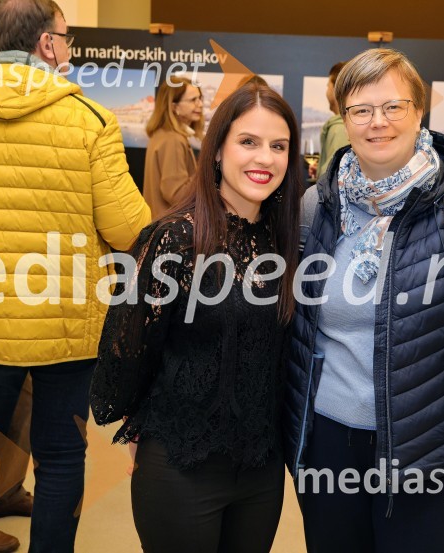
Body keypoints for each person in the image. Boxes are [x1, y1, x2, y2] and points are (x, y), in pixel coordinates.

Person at [0, 0, 151, 551]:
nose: (68, 48)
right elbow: (130, 228)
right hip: (68, 331)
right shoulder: (89, 119)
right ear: (45, 44)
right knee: (62, 456)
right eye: (65, 37)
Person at [284, 48, 444, 553]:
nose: (378, 123)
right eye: (361, 110)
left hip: (429, 450)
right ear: (343, 119)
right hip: (327, 445)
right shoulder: (315, 208)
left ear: (419, 112)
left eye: (393, 106)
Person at [90, 81, 301, 553]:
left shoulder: (287, 243)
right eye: (248, 142)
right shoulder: (174, 239)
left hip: (261, 471)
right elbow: (128, 346)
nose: (264, 158)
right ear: (219, 149)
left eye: (278, 146)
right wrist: (136, 423)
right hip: (181, 466)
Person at [143, 75, 204, 218]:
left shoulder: (162, 134)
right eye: (193, 100)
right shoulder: (173, 140)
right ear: (174, 106)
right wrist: (206, 168)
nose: (200, 104)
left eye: (200, 98)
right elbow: (177, 195)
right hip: (170, 229)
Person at [315, 61, 350, 179]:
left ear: (336, 90)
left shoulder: (339, 128)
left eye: (327, 86)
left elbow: (334, 176)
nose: (326, 92)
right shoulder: (340, 126)